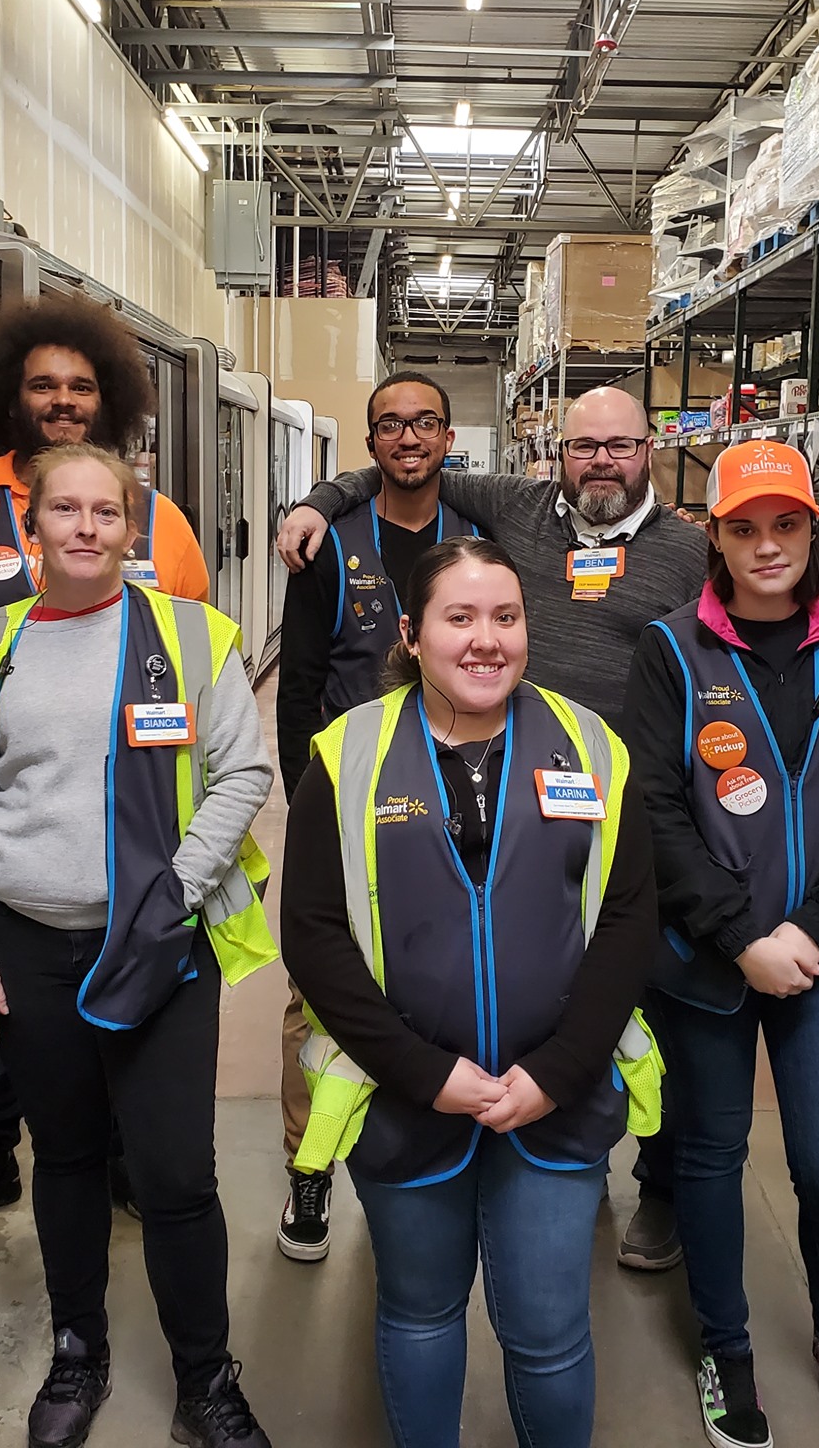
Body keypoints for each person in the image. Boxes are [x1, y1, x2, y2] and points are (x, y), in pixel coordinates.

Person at [278, 384, 706, 1272]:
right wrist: (318, 499)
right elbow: (403, 464)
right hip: (441, 784)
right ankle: (314, 1166)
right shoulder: (521, 509)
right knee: (369, 974)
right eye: (583, 445)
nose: (600, 460)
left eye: (621, 445)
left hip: (608, 805)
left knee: (608, 975)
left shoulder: (688, 552)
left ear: (652, 450)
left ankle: (619, 1168)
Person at [0, 443, 277, 1448]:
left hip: (161, 949)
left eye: (105, 512)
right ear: (31, 526)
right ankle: (78, 1353)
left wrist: (174, 891)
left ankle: (205, 1380)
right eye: (63, 510)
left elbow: (242, 772)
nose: (85, 527)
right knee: (66, 1159)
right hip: (26, 947)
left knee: (175, 1175)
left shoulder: (193, 638)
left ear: (131, 527)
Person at [281, 537, 660, 1448]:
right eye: (459, 617)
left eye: (506, 617)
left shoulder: (590, 746)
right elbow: (315, 935)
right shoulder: (348, 755)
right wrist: (422, 1072)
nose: (486, 639)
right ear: (412, 636)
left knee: (549, 1329)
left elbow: (627, 919)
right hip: (406, 1099)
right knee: (419, 1313)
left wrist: (561, 1070)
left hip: (555, 1099)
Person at [0, 292, 207, 1243]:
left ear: (111, 401)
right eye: (43, 385)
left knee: (117, 993)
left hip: (129, 817)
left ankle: (118, 1155)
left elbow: (194, 651)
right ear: (7, 396)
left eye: (82, 386)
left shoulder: (158, 521)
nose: (63, 401)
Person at [623, 441, 819, 1448]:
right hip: (707, 959)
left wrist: (813, 929)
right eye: (743, 528)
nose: (766, 545)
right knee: (708, 1157)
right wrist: (741, 934)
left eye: (784, 524)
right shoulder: (669, 652)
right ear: (715, 536)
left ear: (811, 528)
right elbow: (654, 809)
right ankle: (724, 1347)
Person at [271, 369, 473, 1264]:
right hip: (349, 801)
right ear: (370, 443)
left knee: (441, 968)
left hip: (456, 800)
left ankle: (437, 1138)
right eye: (390, 425)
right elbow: (300, 689)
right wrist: (309, 806)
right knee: (318, 990)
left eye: (425, 422)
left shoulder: (481, 536)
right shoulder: (331, 545)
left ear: (448, 437)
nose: (409, 438)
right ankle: (308, 1166)